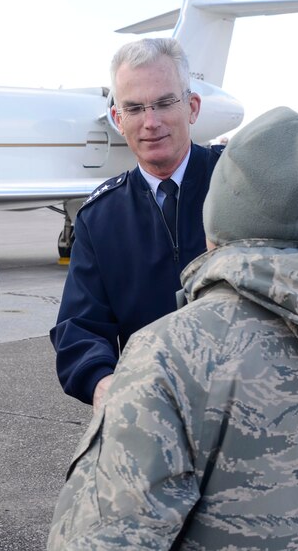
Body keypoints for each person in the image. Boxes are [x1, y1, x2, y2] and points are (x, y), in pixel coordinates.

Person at [47, 107, 298, 550]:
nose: (149, 120)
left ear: (220, 210)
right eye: (134, 107)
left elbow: (104, 538)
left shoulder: (167, 357)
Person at [51, 38, 223, 411]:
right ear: (118, 119)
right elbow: (79, 327)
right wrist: (101, 382)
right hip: (153, 416)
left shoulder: (243, 186)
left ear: (192, 107)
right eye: (134, 108)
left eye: (164, 103)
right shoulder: (100, 218)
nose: (151, 122)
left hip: (251, 411)